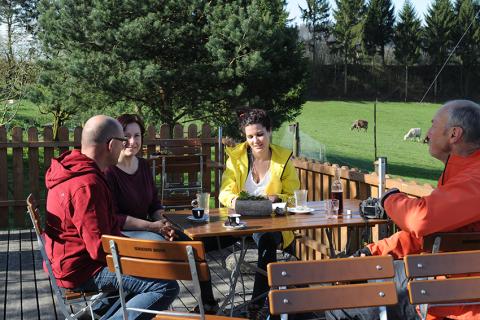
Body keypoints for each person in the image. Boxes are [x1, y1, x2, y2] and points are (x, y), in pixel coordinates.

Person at [327, 99, 480, 320]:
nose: (427, 133)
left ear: (454, 134)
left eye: (433, 125)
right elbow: (425, 235)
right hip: (445, 286)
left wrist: (389, 198)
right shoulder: (461, 174)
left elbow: (420, 219)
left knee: (339, 302)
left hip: (458, 304)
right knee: (361, 279)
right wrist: (372, 252)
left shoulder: (473, 178)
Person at [44, 115, 179, 320]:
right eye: (123, 141)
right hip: (80, 268)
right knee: (165, 286)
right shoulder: (87, 185)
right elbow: (99, 247)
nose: (126, 145)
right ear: (111, 144)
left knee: (147, 272)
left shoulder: (78, 170)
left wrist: (139, 253)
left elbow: (105, 223)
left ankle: (94, 316)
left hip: (72, 260)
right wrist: (142, 255)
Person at [105, 113, 223, 314]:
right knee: (168, 246)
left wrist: (164, 222)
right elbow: (113, 217)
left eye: (137, 136)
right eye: (126, 136)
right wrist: (152, 226)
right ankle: (150, 299)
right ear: (116, 138)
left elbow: (153, 204)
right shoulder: (108, 171)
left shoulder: (142, 166)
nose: (132, 142)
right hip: (123, 234)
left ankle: (208, 304)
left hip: (150, 227)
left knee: (193, 243)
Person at [219, 109, 300, 318]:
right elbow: (224, 193)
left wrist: (278, 198)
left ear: (270, 131)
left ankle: (259, 304)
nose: (256, 140)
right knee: (202, 243)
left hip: (273, 221)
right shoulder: (235, 158)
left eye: (260, 134)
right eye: (250, 136)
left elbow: (294, 196)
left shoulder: (283, 160)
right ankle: (209, 302)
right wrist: (235, 200)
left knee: (266, 241)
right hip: (239, 221)